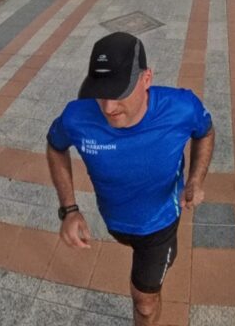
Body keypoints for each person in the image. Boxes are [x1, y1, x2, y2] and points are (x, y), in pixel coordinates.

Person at [46, 32, 215, 326]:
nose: (108, 108)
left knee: (145, 303)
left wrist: (195, 179)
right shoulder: (76, 117)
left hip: (159, 224)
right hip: (113, 219)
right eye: (100, 92)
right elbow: (55, 146)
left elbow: (206, 132)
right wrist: (69, 209)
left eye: (118, 92)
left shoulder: (181, 108)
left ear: (146, 79)